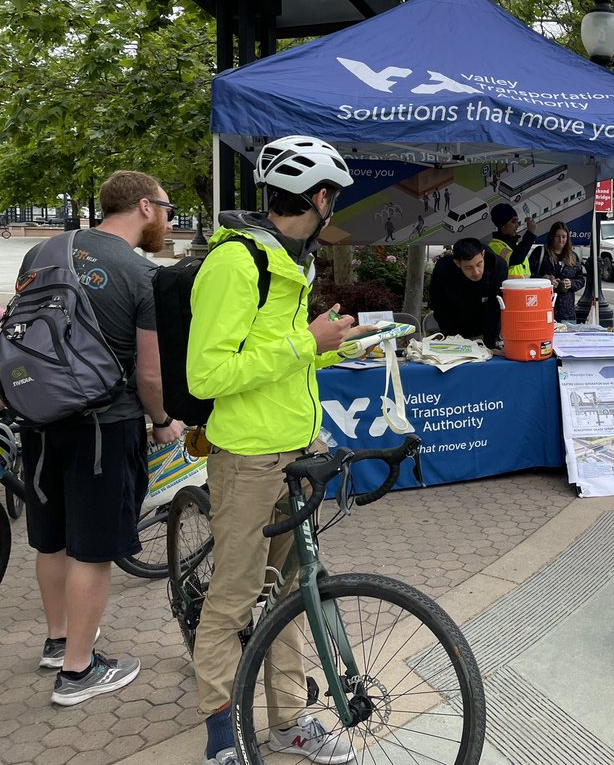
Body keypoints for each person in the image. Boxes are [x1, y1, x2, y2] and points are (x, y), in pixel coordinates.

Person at [188, 135, 367, 765]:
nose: (334, 209)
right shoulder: (236, 265)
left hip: (298, 449)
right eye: (334, 198)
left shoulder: (291, 262)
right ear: (318, 196)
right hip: (247, 460)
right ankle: (219, 735)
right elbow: (206, 375)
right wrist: (303, 344)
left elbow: (281, 356)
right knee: (235, 598)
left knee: (296, 591)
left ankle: (288, 721)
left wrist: (334, 345)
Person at [18, 170, 182, 706]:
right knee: (93, 549)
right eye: (165, 207)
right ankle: (78, 671)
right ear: (143, 207)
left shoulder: (42, 251)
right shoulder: (142, 273)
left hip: (39, 413)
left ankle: (58, 639)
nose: (168, 217)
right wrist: (161, 421)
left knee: (51, 536)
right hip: (103, 426)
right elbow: (150, 376)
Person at [429, 237, 508, 347]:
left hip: (485, 322)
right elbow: (439, 306)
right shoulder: (443, 269)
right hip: (455, 321)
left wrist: (490, 344)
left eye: (479, 264)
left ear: (483, 254)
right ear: (457, 263)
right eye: (468, 267)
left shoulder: (498, 266)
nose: (476, 272)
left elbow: (495, 306)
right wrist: (452, 340)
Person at [530, 221, 586, 323]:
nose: (561, 240)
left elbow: (581, 279)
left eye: (564, 237)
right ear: (552, 237)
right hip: (545, 309)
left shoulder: (573, 256)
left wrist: (571, 283)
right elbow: (529, 276)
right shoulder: (540, 253)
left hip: (567, 312)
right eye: (557, 236)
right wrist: (545, 280)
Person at [487, 202, 537, 278]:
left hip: (523, 289)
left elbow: (526, 275)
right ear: (503, 225)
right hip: (507, 290)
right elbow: (516, 259)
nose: (517, 225)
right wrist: (530, 234)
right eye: (513, 221)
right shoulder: (494, 246)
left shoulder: (515, 246)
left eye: (517, 221)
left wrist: (542, 277)